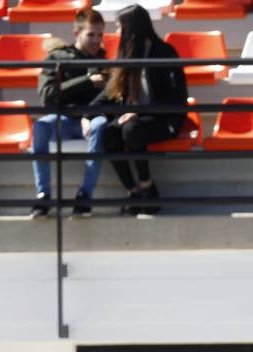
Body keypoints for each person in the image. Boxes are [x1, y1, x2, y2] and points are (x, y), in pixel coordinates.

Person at [93, 4, 186, 216]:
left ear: (130, 28)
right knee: (108, 134)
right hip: (134, 118)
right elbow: (108, 94)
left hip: (165, 118)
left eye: (118, 27)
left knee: (131, 130)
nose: (116, 32)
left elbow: (177, 99)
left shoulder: (164, 53)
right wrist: (89, 113)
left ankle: (147, 187)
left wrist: (140, 112)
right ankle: (133, 191)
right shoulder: (126, 56)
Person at [29, 8, 109, 219]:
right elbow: (47, 95)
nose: (96, 40)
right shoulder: (58, 58)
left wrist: (87, 116)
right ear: (77, 34)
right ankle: (43, 195)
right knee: (40, 126)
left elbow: (110, 100)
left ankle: (85, 196)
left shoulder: (105, 61)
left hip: (90, 122)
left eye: (100, 35)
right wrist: (86, 81)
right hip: (64, 120)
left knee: (100, 124)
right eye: (91, 34)